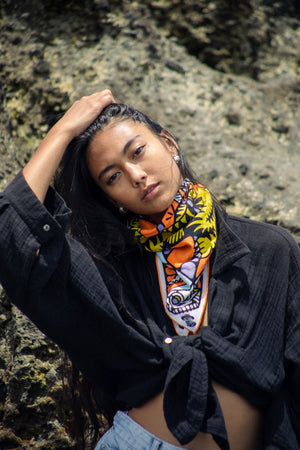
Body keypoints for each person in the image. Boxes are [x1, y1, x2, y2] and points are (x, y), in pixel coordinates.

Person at [0, 89, 299, 450]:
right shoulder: (112, 269)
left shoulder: (269, 250)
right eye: (112, 177)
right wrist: (62, 130)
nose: (136, 175)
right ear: (109, 197)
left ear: (168, 143)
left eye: (137, 152)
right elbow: (12, 243)